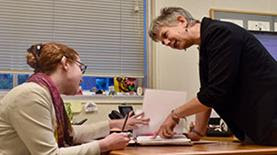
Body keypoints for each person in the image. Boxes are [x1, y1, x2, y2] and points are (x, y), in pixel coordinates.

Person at [149, 7, 277, 145]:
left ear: (182, 21)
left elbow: (214, 93)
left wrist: (175, 115)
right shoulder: (208, 44)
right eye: (163, 43)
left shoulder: (221, 34)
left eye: (165, 35)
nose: (167, 43)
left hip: (270, 120)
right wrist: (198, 132)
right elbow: (206, 93)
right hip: (258, 126)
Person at [0, 42, 149, 154]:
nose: (82, 77)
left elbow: (70, 134)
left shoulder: (44, 93)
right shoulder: (30, 95)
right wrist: (104, 145)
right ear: (65, 64)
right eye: (80, 67)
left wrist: (114, 124)